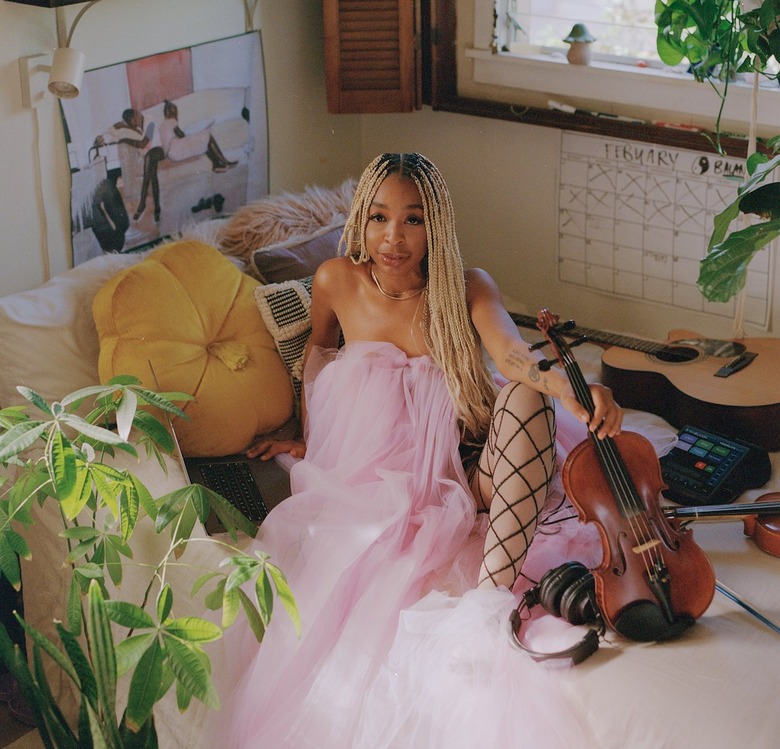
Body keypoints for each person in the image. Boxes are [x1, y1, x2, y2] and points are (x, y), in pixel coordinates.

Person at [222, 153, 623, 748]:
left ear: (436, 226)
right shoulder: (335, 281)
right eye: (379, 217)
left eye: (412, 219)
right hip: (387, 488)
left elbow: (513, 356)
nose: (394, 237)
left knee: (526, 398)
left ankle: (487, 609)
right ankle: (488, 611)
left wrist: (569, 386)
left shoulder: (466, 286)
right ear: (360, 219)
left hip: (472, 471)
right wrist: (308, 435)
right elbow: (317, 357)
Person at [96, 109, 164, 222]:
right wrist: (102, 138)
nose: (131, 125)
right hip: (147, 155)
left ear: (136, 116)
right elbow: (114, 134)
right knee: (152, 176)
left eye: (131, 122)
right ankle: (156, 207)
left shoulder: (150, 122)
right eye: (128, 123)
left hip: (157, 150)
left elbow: (144, 143)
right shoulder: (134, 126)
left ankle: (142, 205)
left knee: (149, 165)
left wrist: (124, 139)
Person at [159, 100, 237, 171]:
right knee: (208, 137)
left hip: (172, 153)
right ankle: (222, 162)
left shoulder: (163, 125)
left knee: (204, 139)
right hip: (177, 151)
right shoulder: (172, 122)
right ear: (173, 112)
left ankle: (218, 164)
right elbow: (181, 135)